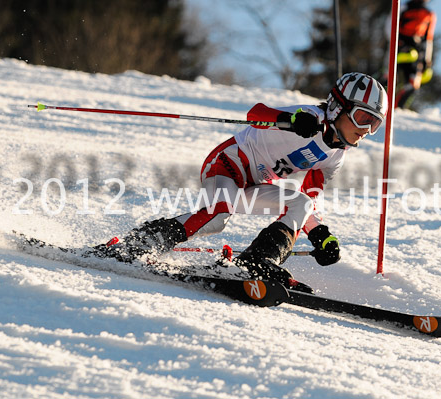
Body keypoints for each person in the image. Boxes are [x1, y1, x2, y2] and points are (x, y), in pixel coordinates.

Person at [91, 72, 388, 292]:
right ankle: (138, 244)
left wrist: (320, 234)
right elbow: (254, 114)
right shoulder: (308, 118)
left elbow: (311, 198)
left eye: (374, 124)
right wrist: (290, 118)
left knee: (302, 203)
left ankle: (259, 260)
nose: (366, 130)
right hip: (227, 163)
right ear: (338, 107)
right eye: (363, 118)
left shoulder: (336, 156)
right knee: (217, 218)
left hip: (254, 184)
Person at [396, 0, 437, 109]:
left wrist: (427, 60)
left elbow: (428, 39)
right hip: (399, 46)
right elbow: (390, 26)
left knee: (414, 82)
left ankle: (399, 108)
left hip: (416, 50)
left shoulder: (429, 14)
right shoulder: (403, 7)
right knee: (389, 77)